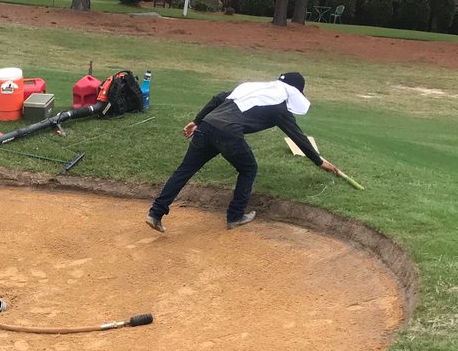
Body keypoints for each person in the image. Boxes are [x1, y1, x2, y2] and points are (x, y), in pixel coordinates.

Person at [144, 72, 341, 232]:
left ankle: (155, 213)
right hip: (228, 134)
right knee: (249, 169)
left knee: (184, 170)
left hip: (207, 125)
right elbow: (297, 135)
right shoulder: (279, 106)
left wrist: (197, 121)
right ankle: (235, 216)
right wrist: (319, 161)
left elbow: (218, 98)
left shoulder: (252, 89)